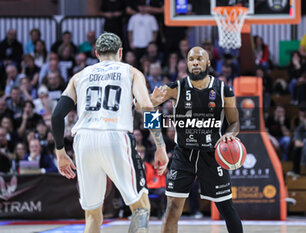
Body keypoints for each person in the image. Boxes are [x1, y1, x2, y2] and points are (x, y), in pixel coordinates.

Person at [51, 32, 168, 233]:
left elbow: (56, 116)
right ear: (120, 52)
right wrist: (160, 146)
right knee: (140, 207)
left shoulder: (79, 76)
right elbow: (146, 108)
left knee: (93, 215)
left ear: (96, 53)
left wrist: (60, 153)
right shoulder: (131, 72)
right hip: (115, 135)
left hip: (84, 140)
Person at [151, 46, 242, 233]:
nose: (195, 62)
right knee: (172, 210)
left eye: (200, 59)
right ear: (187, 64)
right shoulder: (175, 88)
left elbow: (234, 123)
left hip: (212, 154)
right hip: (183, 154)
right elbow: (142, 108)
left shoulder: (223, 90)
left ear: (208, 62)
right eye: (191, 59)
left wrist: (229, 135)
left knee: (226, 208)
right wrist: (150, 102)